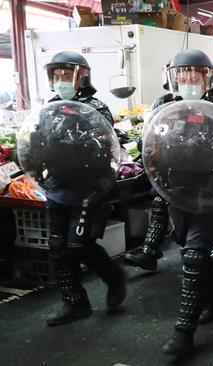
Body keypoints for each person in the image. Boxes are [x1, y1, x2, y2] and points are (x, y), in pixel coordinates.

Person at [151, 49, 213, 357]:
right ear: (173, 78)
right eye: (182, 75)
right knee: (186, 244)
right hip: (176, 189)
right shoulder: (163, 106)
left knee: (193, 254)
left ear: (207, 78)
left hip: (209, 190)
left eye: (195, 75)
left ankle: (184, 331)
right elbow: (151, 144)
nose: (188, 80)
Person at [41, 51, 127, 326]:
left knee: (78, 245)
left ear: (82, 78)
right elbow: (38, 140)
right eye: (57, 76)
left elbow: (102, 146)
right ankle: (74, 302)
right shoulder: (49, 107)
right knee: (57, 246)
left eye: (66, 75)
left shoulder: (97, 108)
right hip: (56, 185)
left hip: (87, 188)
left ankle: (114, 276)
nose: (61, 81)